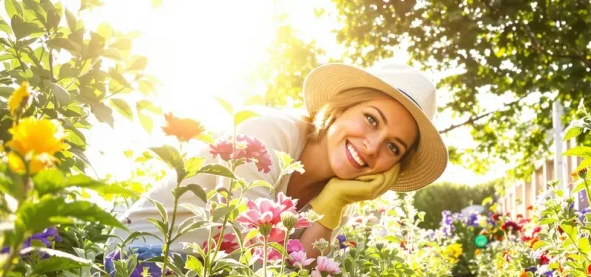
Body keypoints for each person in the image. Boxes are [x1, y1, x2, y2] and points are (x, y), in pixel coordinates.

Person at [114, 62, 448, 258]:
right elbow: (260, 270)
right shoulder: (265, 132)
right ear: (340, 108)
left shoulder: (337, 194)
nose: (374, 147)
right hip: (141, 255)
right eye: (372, 120)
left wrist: (333, 201)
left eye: (394, 148)